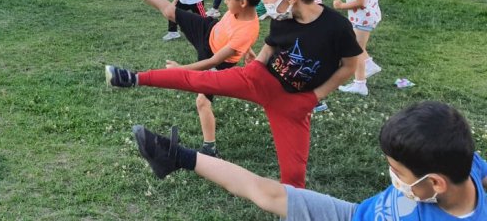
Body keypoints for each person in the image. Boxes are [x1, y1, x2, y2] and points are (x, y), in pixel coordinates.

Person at [106, 0, 362, 188]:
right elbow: (269, 50)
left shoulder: (336, 27)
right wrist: (252, 72)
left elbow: (350, 66)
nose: (266, 1)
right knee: (198, 80)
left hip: (294, 103)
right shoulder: (283, 18)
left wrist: (313, 98)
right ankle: (134, 78)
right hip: (260, 78)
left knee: (294, 177)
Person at [130, 101, 487, 220]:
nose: (391, 177)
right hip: (352, 213)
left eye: (397, 172)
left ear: (437, 183)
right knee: (268, 193)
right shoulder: (469, 164)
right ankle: (176, 156)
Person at [114, 0, 261, 158]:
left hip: (216, 59)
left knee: (202, 101)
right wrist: (247, 50)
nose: (224, 2)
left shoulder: (247, 29)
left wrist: (180, 69)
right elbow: (237, 38)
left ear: (242, 3)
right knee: (170, 12)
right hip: (208, 30)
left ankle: (210, 148)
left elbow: (213, 62)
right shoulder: (240, 9)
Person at [335, 0, 382, 96]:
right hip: (365, 18)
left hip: (363, 18)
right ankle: (368, 65)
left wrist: (341, 5)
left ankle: (360, 84)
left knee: (356, 50)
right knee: (358, 47)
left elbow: (360, 2)